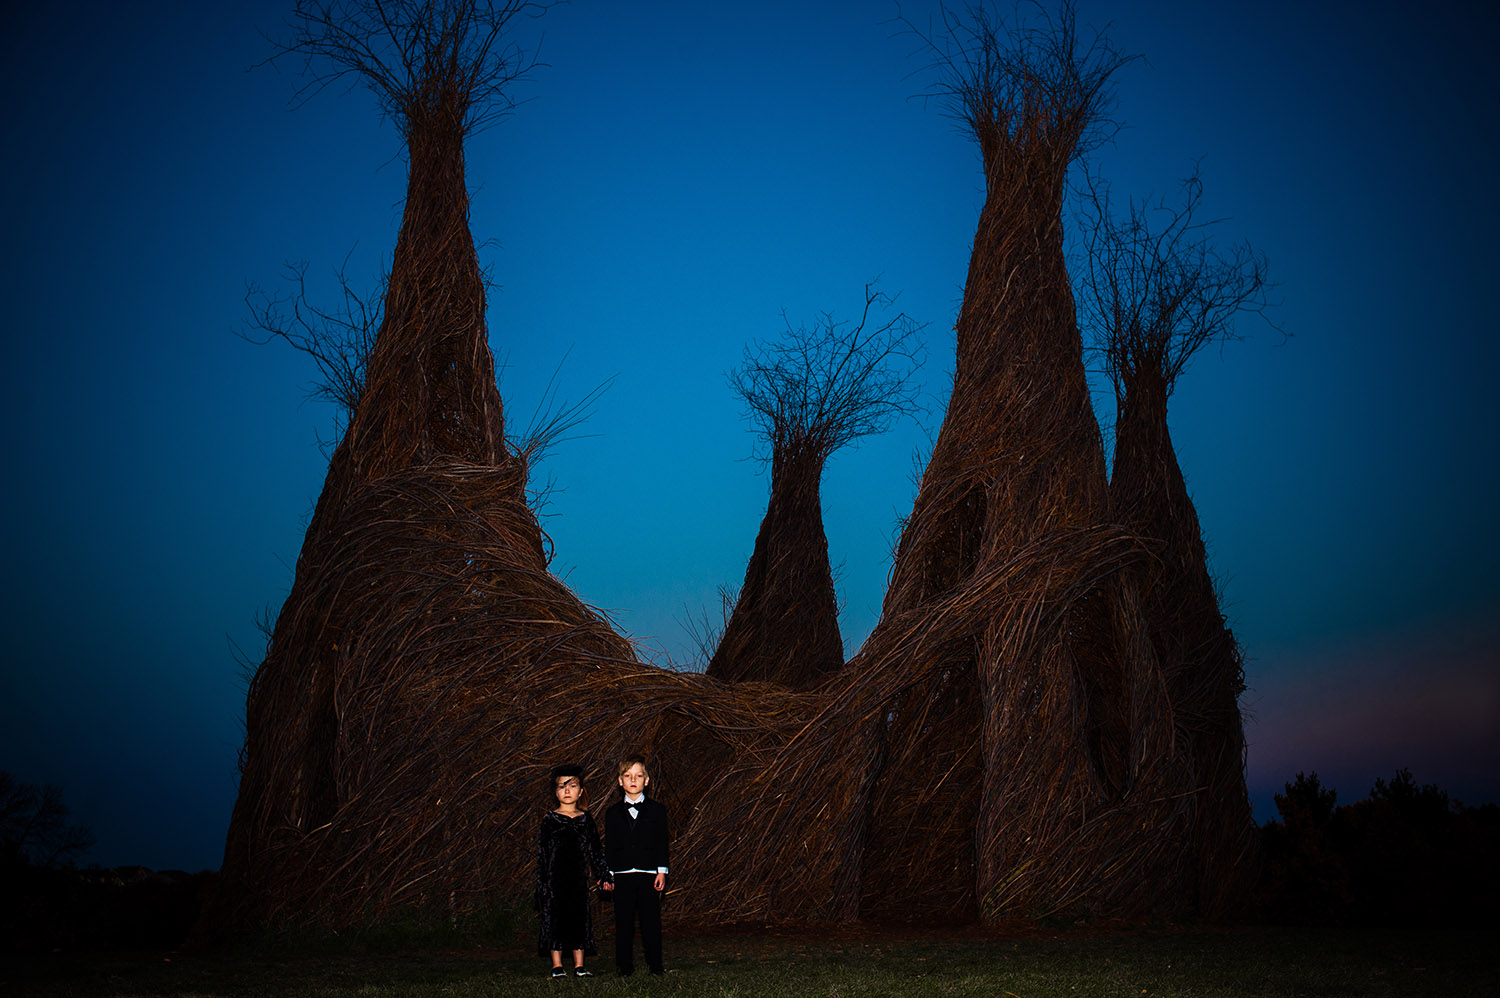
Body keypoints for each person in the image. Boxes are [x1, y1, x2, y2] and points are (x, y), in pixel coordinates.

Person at [535, 764, 613, 978]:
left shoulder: (586, 819)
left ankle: (579, 966)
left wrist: (604, 874)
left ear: (580, 791)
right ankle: (557, 965)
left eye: (572, 786)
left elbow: (596, 851)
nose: (567, 791)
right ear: (555, 791)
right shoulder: (549, 820)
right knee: (555, 919)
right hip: (555, 881)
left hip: (578, 881)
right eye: (562, 786)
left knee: (580, 919)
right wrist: (541, 883)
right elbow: (542, 854)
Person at [604, 754, 669, 977]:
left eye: (639, 776)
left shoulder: (658, 810)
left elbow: (662, 842)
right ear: (620, 781)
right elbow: (610, 846)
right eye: (628, 776)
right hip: (622, 874)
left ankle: (656, 966)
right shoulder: (612, 813)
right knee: (624, 923)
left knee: (651, 922)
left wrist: (662, 871)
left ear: (647, 780)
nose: (633, 780)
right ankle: (624, 967)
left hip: (649, 873)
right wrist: (608, 874)